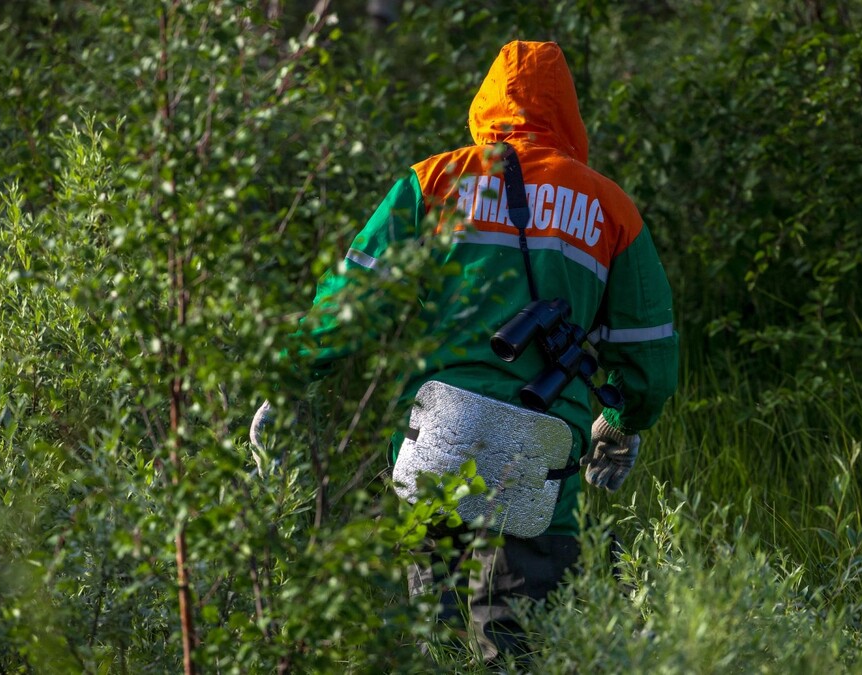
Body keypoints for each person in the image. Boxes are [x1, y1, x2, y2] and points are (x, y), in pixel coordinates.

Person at [251, 40, 677, 663]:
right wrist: (620, 419)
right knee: (522, 647)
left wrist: (289, 376)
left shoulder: (431, 182)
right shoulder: (611, 208)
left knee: (433, 638)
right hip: (543, 455)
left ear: (487, 102)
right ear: (567, 110)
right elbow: (647, 356)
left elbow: (351, 308)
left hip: (438, 437)